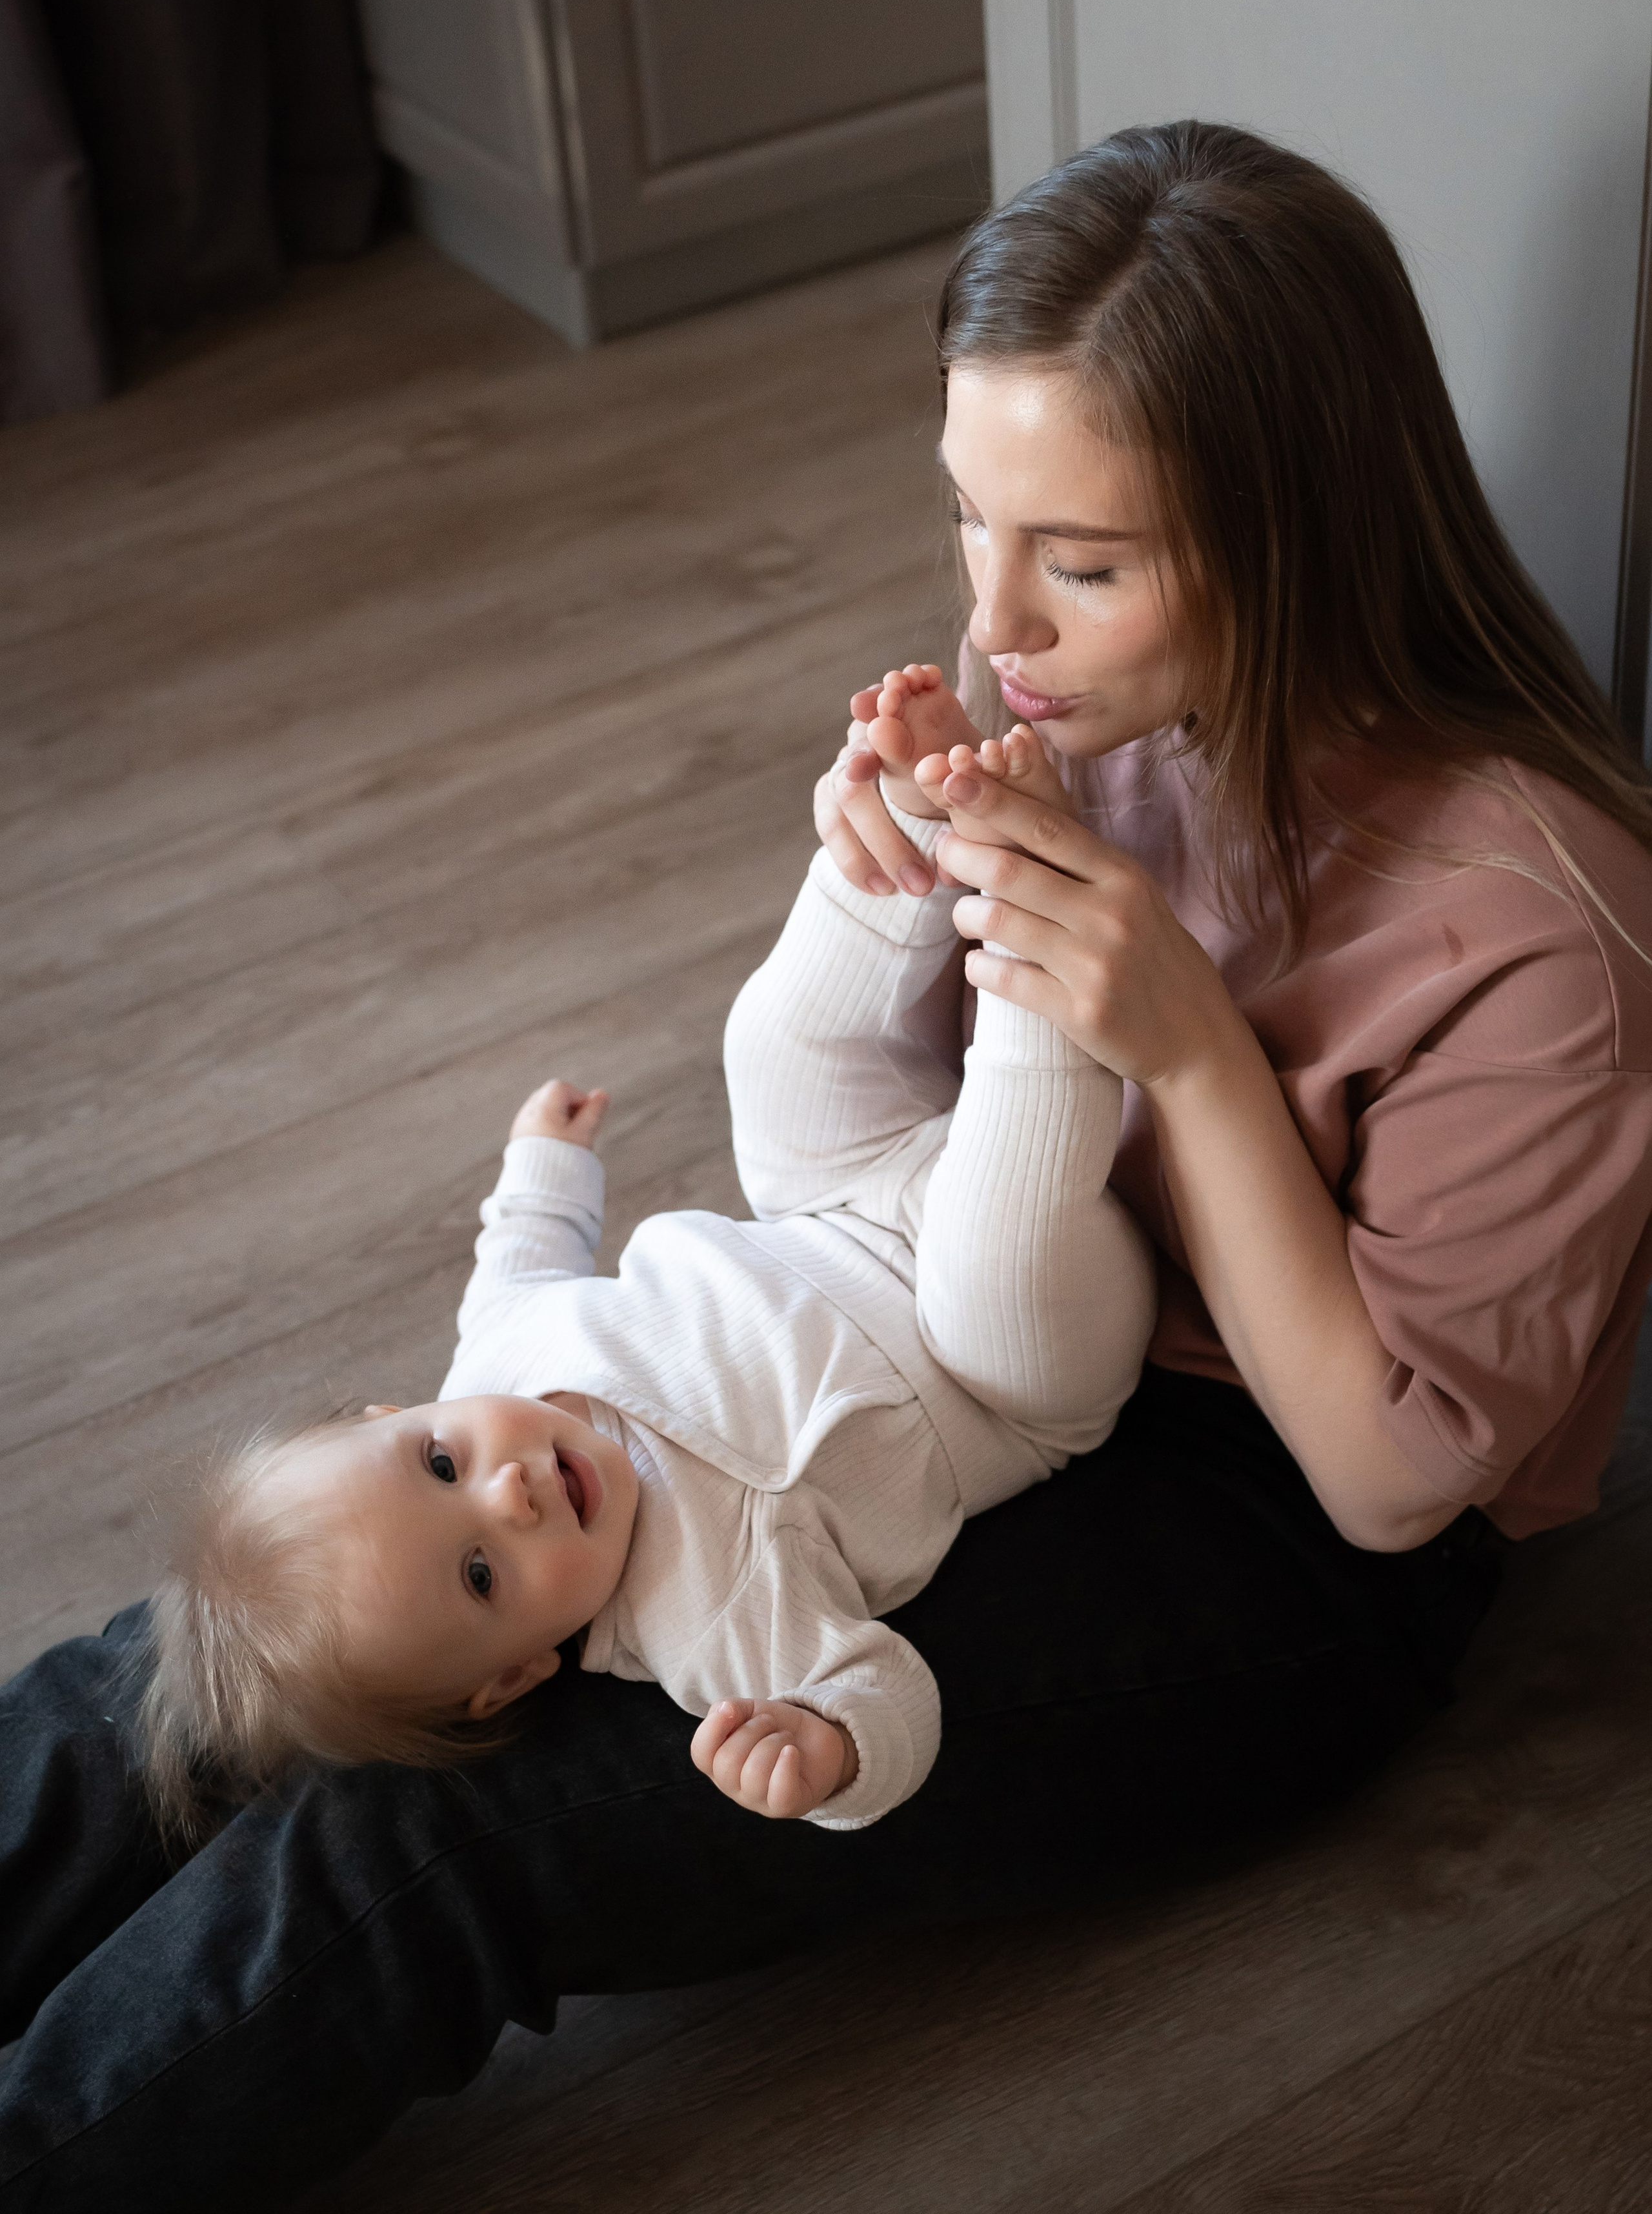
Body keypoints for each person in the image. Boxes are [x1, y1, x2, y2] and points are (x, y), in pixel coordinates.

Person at [4, 118, 1649, 2212]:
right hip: (909, 1313)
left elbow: (1394, 1483)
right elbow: (897, 1118)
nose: (997, 620)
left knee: (434, 1838)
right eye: (973, 518)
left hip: (1254, 1522)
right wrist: (872, 889)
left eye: (1081, 557)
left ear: (1294, 530)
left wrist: (1194, 1057)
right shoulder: (1090, 707)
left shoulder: (1551, 930)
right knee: (279, 1631)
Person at [137, 722, 1153, 1842]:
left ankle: (908, 823)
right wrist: (830, 1754)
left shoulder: (500, 1360)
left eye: (439, 1462)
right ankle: (1039, 909)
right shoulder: (702, 1619)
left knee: (771, 1057)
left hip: (834, 1206)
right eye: (481, 1574)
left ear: (399, 1411)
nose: (508, 1493)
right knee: (1003, 1240)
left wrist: (545, 1167)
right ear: (518, 1675)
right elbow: (887, 1697)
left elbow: (517, 1261)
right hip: (994, 1365)